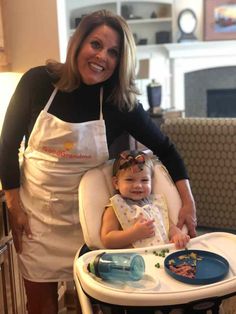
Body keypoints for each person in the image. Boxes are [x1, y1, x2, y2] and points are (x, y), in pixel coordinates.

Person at [0, 9, 196, 314]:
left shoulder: (119, 103)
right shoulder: (37, 82)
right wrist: (13, 205)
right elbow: (7, 143)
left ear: (120, 61)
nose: (102, 56)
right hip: (35, 217)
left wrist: (188, 201)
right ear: (78, 43)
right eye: (95, 44)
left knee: (89, 301)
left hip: (90, 224)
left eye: (113, 52)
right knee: (40, 306)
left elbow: (166, 149)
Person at [101, 150, 190, 249]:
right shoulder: (116, 206)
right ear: (116, 183)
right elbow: (107, 240)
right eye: (130, 180)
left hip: (161, 253)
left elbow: (169, 226)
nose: (138, 185)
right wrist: (134, 233)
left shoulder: (155, 203)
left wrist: (177, 235)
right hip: (135, 259)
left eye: (144, 180)